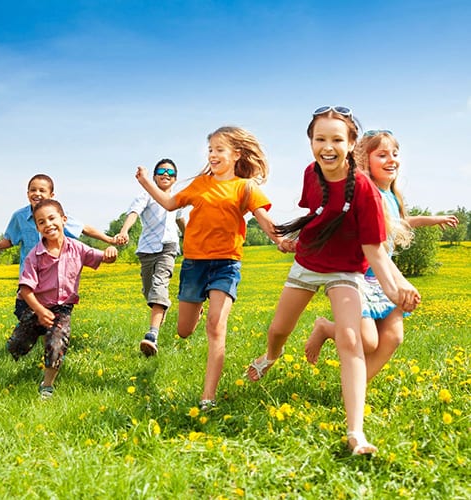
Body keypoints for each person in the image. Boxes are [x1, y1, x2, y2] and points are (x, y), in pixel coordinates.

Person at [246, 107, 420, 455]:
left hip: (346, 271)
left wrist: (395, 288)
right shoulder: (311, 173)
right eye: (319, 138)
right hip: (308, 262)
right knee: (279, 329)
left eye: (337, 139)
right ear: (310, 142)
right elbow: (316, 211)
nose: (328, 146)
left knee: (352, 339)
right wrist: (292, 236)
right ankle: (269, 357)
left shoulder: (367, 193)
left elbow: (375, 251)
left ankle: (356, 433)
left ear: (351, 143)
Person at [135, 126, 284, 411]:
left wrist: (280, 241)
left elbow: (263, 219)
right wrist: (145, 181)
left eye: (219, 149)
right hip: (194, 264)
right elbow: (168, 203)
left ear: (236, 154)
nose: (213, 155)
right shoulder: (200, 184)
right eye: (211, 150)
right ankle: (200, 304)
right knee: (183, 331)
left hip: (226, 264)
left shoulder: (246, 187)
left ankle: (207, 398)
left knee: (216, 327)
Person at [305, 130, 459, 381]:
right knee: (366, 341)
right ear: (365, 160)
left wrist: (433, 220)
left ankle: (356, 389)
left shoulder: (392, 196)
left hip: (383, 275)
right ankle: (325, 327)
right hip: (360, 276)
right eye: (382, 155)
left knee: (394, 336)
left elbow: (400, 221)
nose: (391, 160)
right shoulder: (366, 193)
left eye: (395, 154)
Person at [6, 199, 117, 399]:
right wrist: (39, 311)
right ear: (38, 228)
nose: (48, 224)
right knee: (17, 345)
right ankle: (15, 353)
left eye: (51, 218)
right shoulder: (35, 255)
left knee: (57, 342)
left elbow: (100, 256)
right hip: (36, 308)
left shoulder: (78, 248)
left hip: (62, 309)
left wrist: (110, 253)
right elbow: (25, 289)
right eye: (41, 222)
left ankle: (47, 385)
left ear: (64, 220)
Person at [0, 173, 116, 319]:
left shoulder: (56, 216)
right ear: (27, 193)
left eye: (42, 190)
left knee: (52, 320)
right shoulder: (19, 216)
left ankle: (48, 336)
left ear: (51, 195)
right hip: (31, 278)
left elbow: (83, 228)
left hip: (53, 280)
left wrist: (108, 239)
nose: (37, 194)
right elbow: (10, 239)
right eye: (33, 190)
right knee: (27, 318)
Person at [115, 159, 185, 357]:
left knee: (159, 286)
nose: (166, 174)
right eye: (162, 171)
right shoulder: (146, 195)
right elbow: (134, 213)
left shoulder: (177, 198)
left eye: (170, 173)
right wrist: (124, 231)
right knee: (149, 292)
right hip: (147, 249)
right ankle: (160, 308)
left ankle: (152, 335)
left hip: (168, 247)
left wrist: (189, 238)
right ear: (154, 177)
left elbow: (180, 219)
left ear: (175, 179)